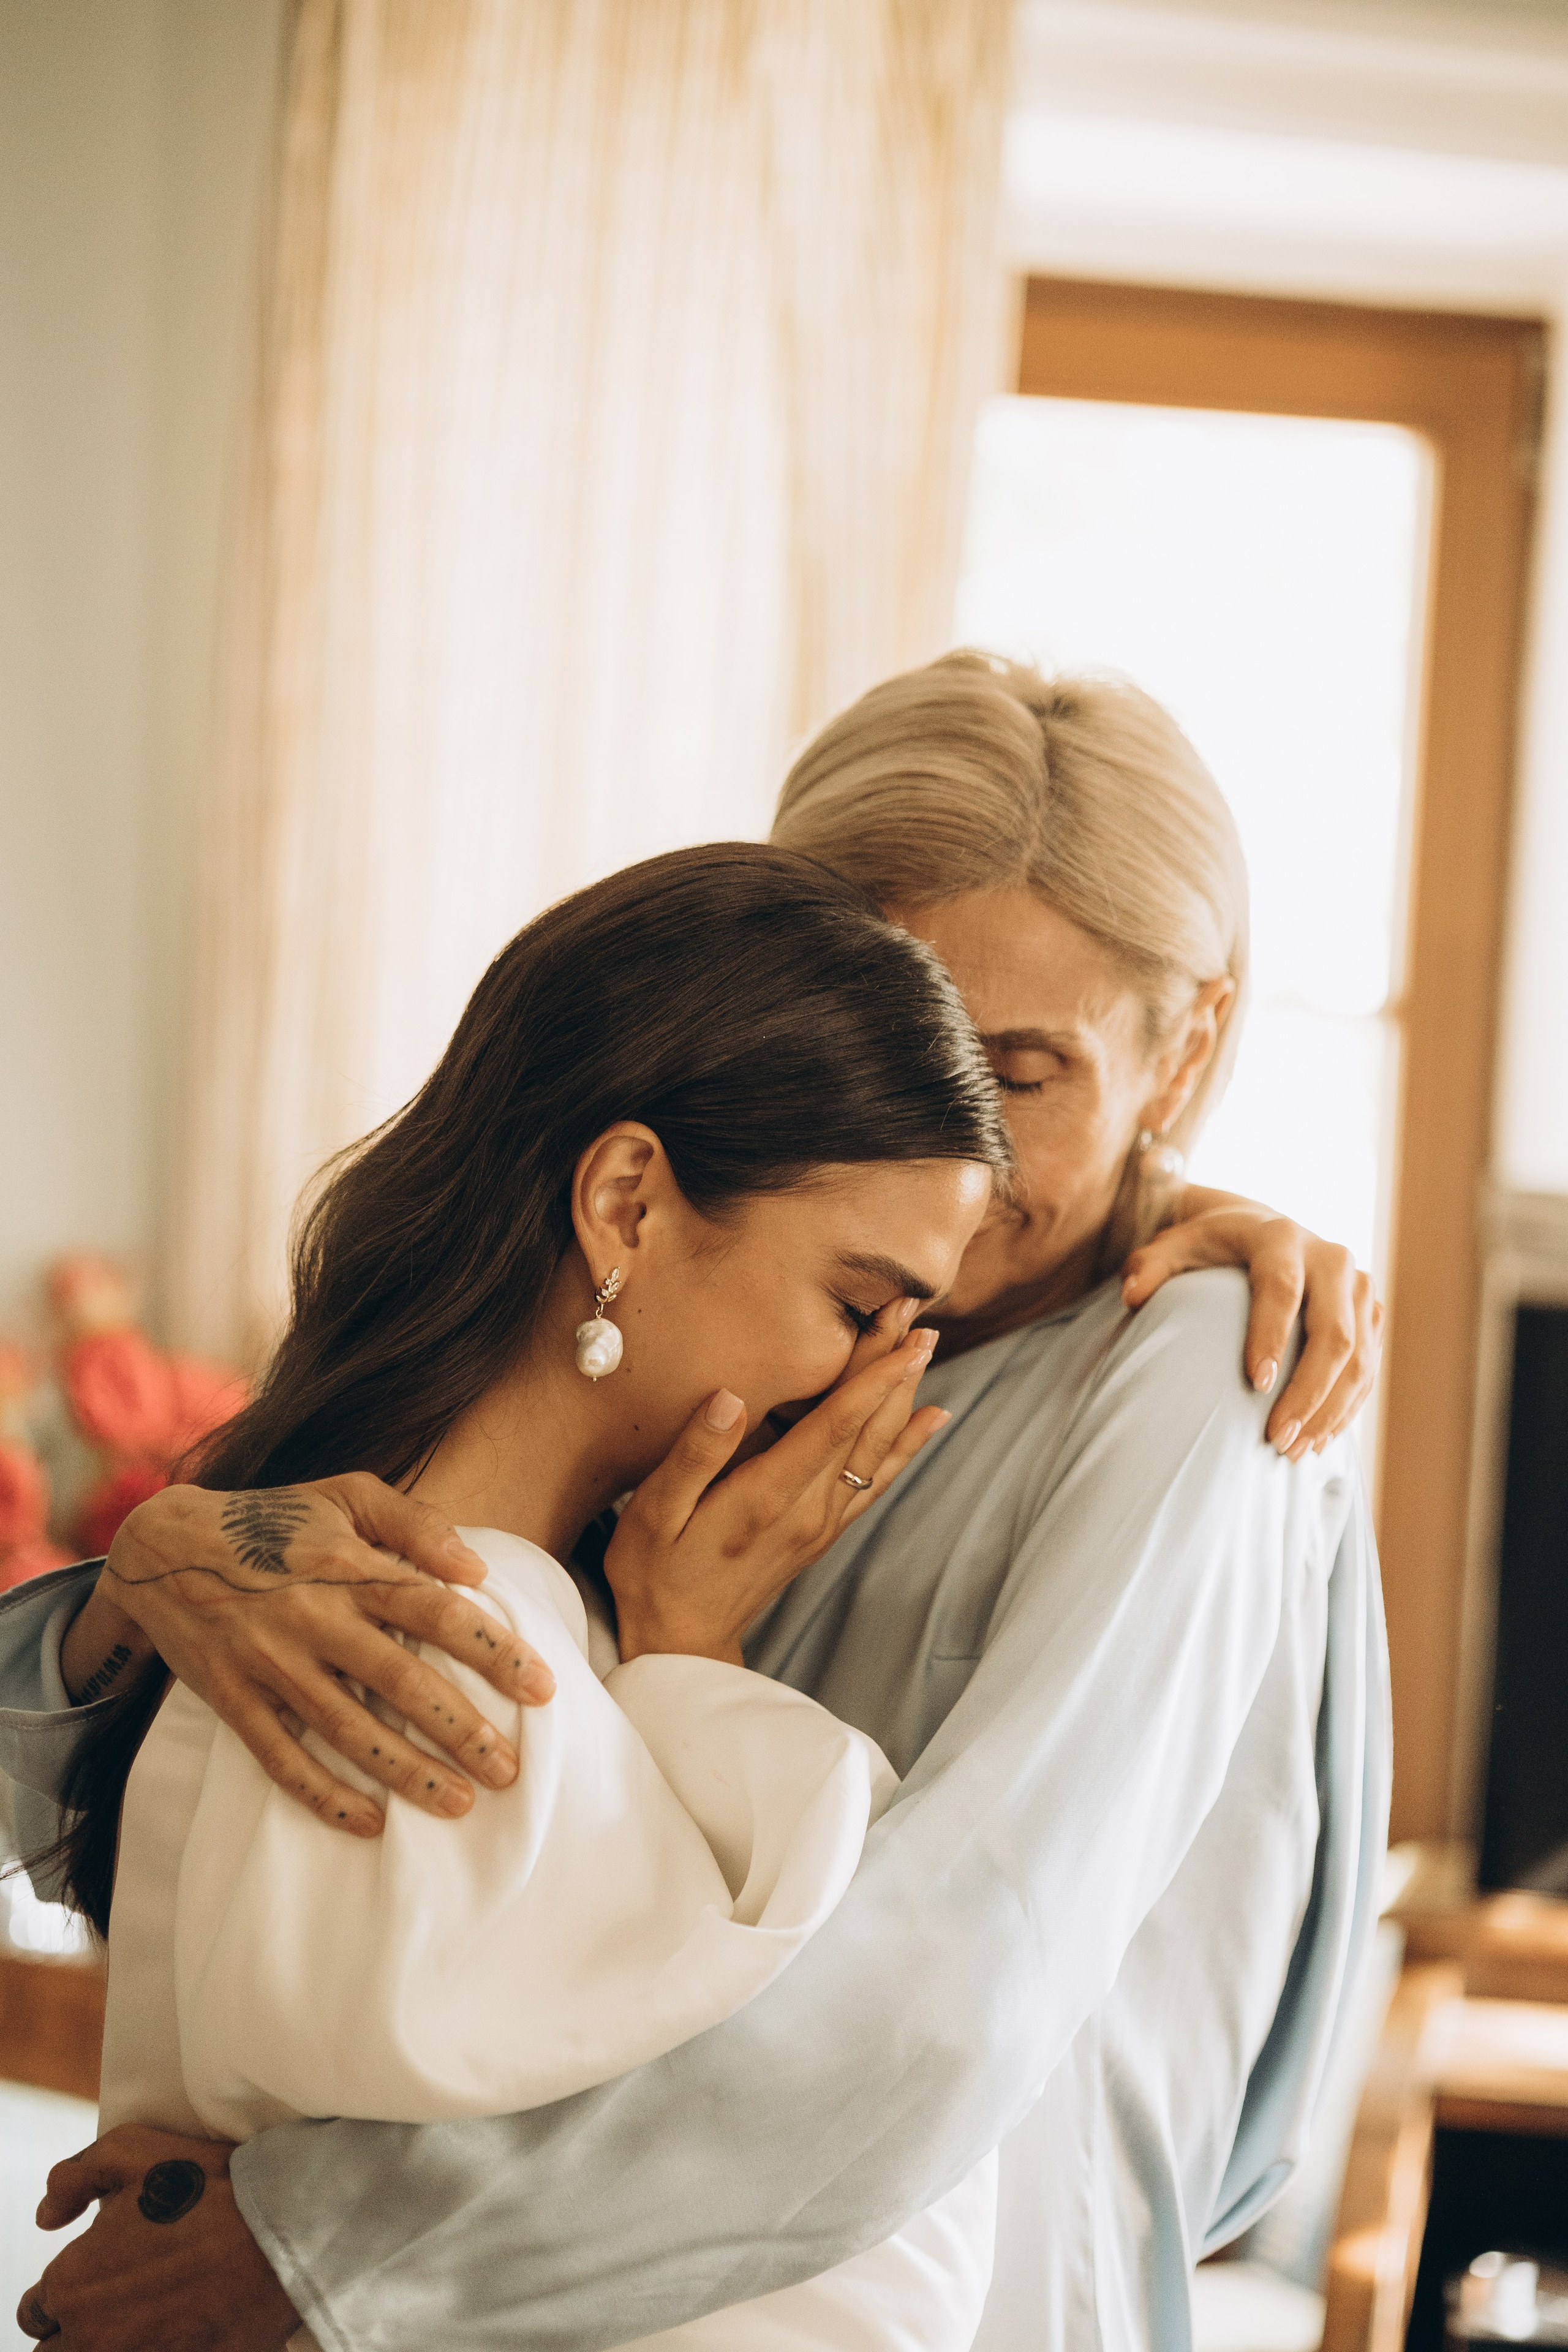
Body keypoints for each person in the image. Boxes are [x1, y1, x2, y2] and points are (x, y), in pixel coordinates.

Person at [6, 657, 1387, 2352]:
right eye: (900, 1037)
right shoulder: (705, 1339)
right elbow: (287, 1853)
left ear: (1190, 1051)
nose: (957, 1146)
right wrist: (144, 1586)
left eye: (1018, 1073)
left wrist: (323, 2252)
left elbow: (960, 1979)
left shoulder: (1210, 1377)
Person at [61, 842, 1015, 2352]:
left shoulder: (505, 1616)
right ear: (628, 1203)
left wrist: (681, 1649)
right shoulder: (448, 1639)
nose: (877, 1388)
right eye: (855, 1306)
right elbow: (835, 2257)